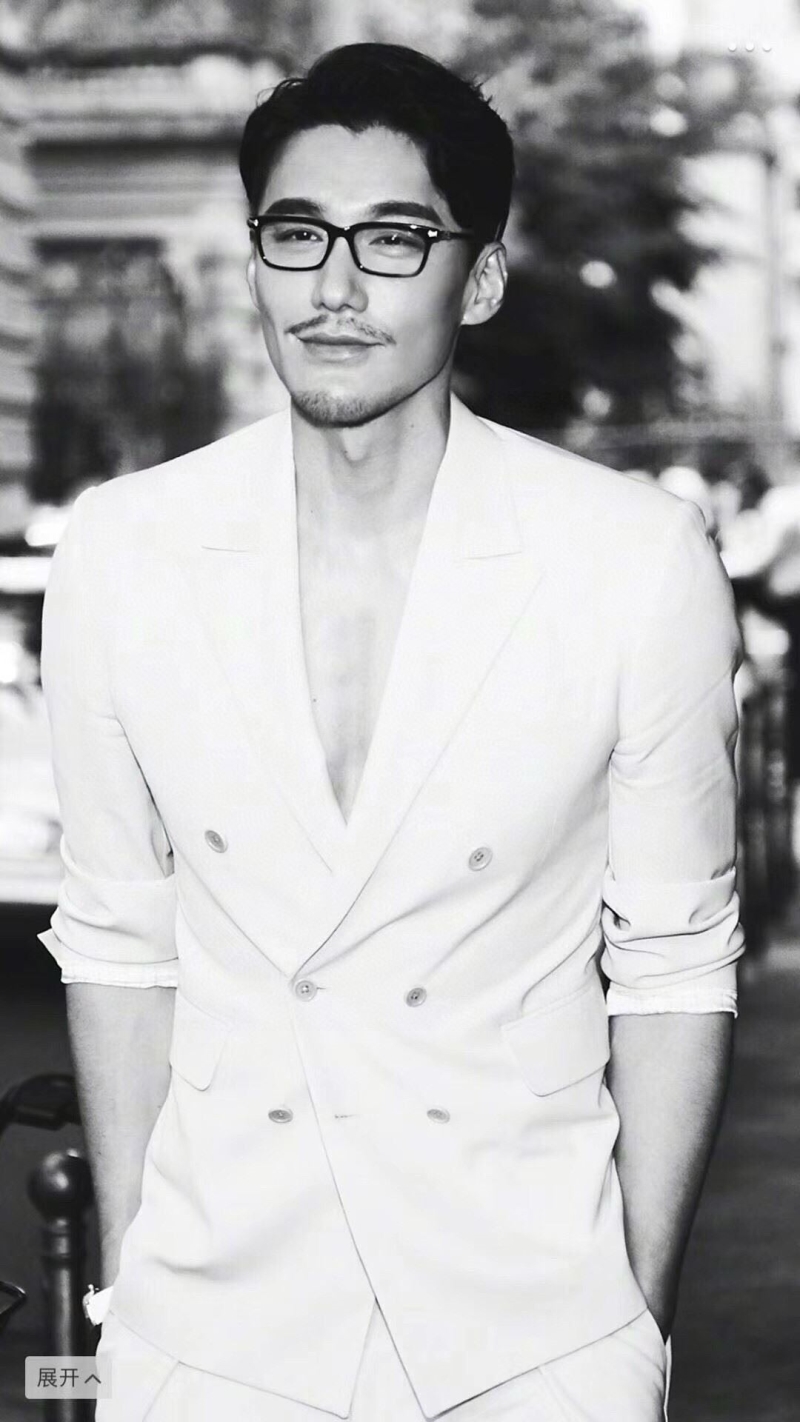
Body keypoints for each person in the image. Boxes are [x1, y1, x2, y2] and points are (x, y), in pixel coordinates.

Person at [37, 42, 744, 1422]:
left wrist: (632, 1324)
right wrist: (130, 1289)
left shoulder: (629, 560)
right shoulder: (125, 551)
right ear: (257, 261)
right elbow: (121, 939)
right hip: (214, 1325)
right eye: (298, 234)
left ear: (477, 279)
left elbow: (673, 963)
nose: (337, 287)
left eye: (394, 239)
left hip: (527, 1325)